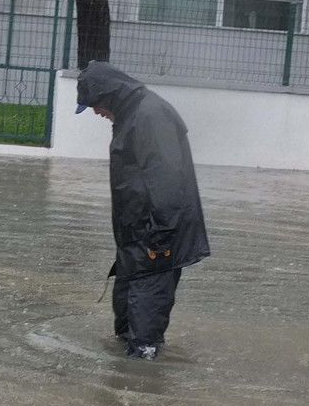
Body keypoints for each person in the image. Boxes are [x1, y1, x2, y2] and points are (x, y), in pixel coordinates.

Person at [76, 61, 210, 360]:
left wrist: (159, 240)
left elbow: (168, 180)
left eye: (95, 105)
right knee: (126, 320)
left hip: (155, 241)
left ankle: (141, 382)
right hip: (136, 240)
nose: (96, 112)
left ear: (108, 95)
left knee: (144, 334)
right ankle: (127, 374)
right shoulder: (132, 114)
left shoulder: (150, 116)